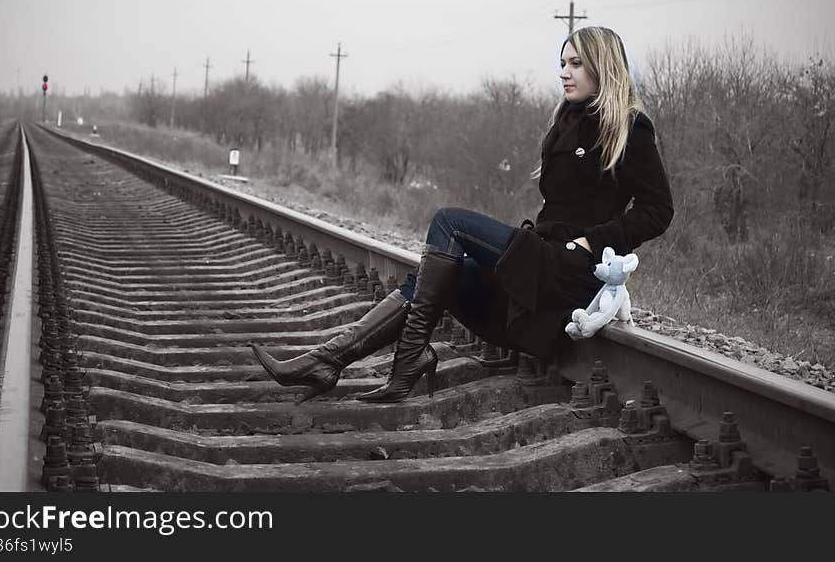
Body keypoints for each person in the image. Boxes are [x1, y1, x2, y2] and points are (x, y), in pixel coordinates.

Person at [252, 26, 674, 404]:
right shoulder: (566, 119)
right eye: (561, 63)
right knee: (438, 277)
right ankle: (329, 361)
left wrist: (593, 241)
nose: (564, 72)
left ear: (602, 66)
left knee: (448, 222)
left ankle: (403, 362)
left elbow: (658, 211)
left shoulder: (629, 127)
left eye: (575, 63)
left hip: (571, 267)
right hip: (544, 256)